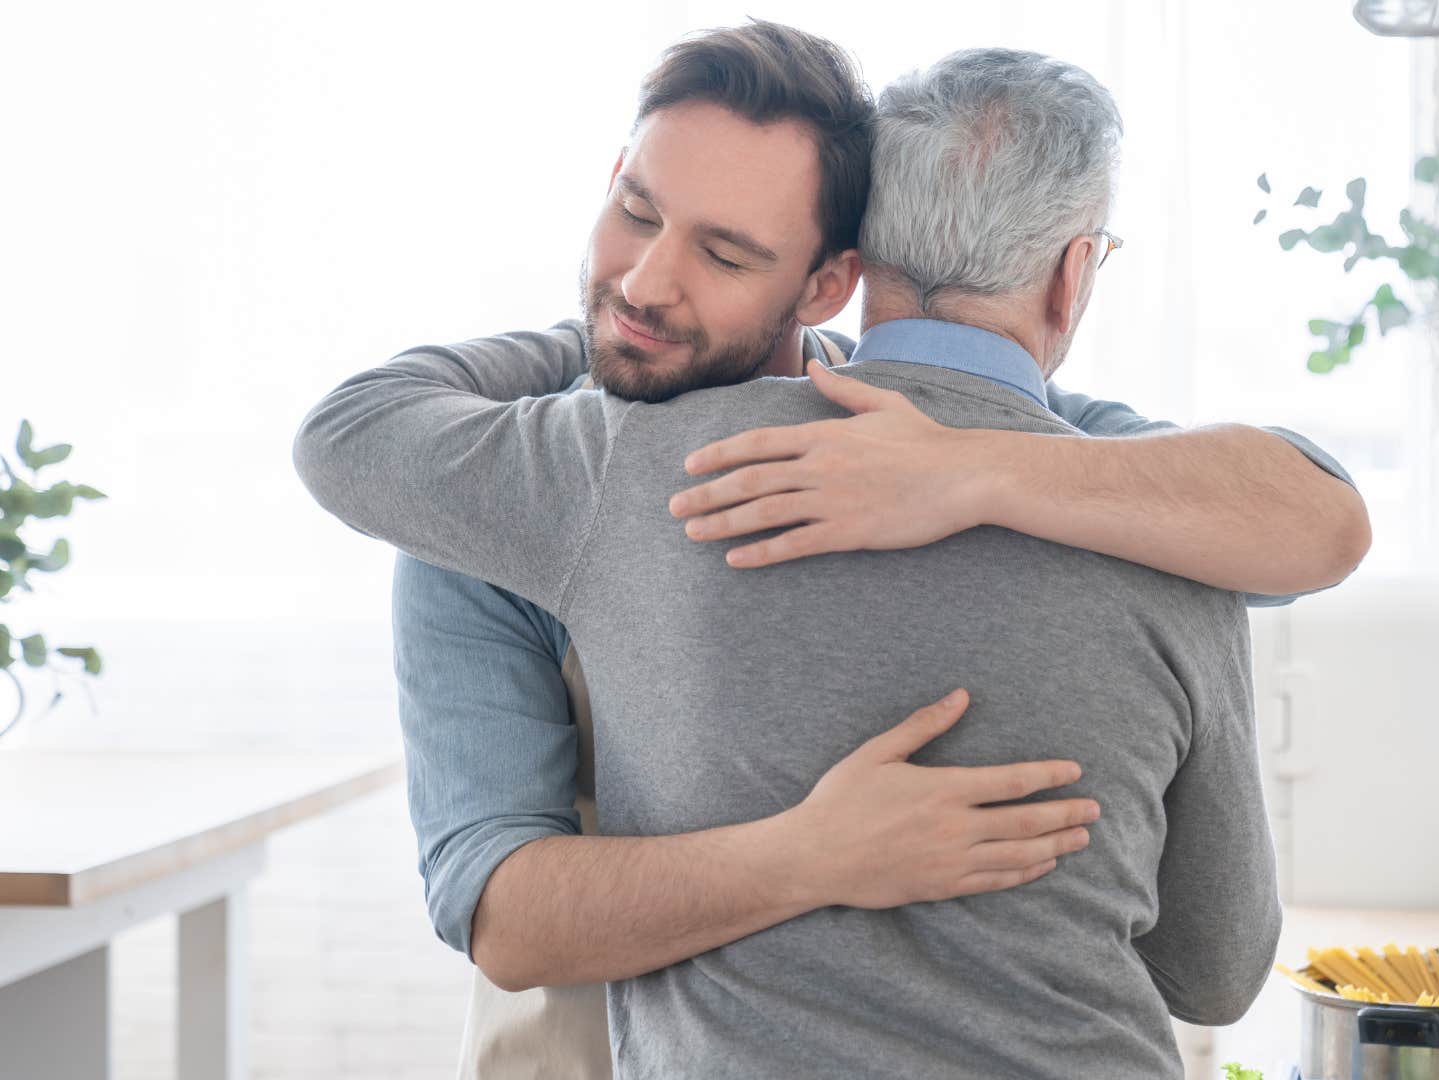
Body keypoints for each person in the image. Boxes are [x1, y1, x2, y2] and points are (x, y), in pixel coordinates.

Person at [299, 22, 1368, 1077]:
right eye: (636, 213)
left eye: (724, 252)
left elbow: (1308, 514)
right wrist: (806, 857)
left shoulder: (1042, 464)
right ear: (1069, 274)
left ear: (831, 281)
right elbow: (508, 917)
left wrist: (971, 471)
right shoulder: (509, 483)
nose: (647, 283)